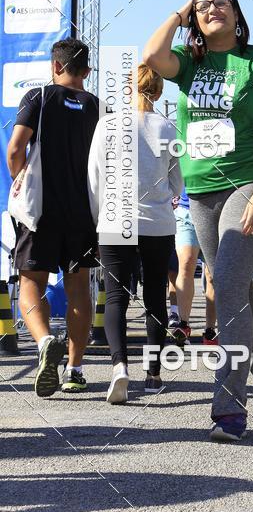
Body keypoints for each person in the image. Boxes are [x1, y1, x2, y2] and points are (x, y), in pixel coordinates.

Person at [143, 0, 253, 441]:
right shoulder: (189, 64)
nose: (211, 10)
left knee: (224, 284)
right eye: (203, 6)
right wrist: (180, 11)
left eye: (220, 2)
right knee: (234, 289)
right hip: (200, 193)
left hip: (247, 185)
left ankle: (229, 408)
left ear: (237, 12)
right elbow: (151, 57)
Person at [6, 38, 99, 397]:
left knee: (31, 282)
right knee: (79, 288)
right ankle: (75, 369)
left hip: (40, 210)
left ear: (55, 66)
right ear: (86, 72)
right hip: (83, 212)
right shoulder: (99, 107)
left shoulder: (39, 97)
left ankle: (45, 341)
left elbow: (16, 148)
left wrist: (21, 180)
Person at [87, 64, 183, 403]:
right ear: (158, 92)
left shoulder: (106, 126)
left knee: (116, 297)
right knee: (155, 296)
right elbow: (178, 182)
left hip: (114, 221)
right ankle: (153, 374)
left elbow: (95, 181)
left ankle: (119, 368)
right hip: (157, 222)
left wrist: (99, 220)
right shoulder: (167, 128)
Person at [167, 188, 217, 345]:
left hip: (215, 210)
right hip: (186, 210)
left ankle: (210, 330)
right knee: (186, 263)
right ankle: (183, 324)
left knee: (212, 274)